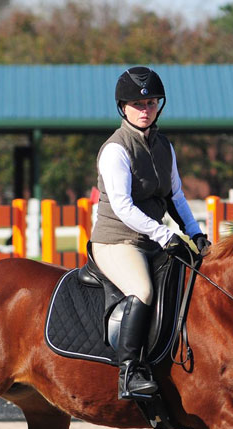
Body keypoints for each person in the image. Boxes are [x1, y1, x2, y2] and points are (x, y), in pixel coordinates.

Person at [92, 66, 212, 400]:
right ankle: (130, 371)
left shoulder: (164, 147)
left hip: (151, 239)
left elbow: (175, 196)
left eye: (151, 103)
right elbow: (122, 205)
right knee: (143, 290)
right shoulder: (115, 149)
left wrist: (195, 233)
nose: (145, 110)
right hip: (116, 241)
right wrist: (164, 234)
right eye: (137, 104)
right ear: (123, 108)